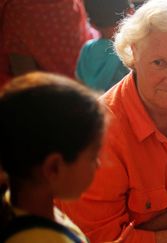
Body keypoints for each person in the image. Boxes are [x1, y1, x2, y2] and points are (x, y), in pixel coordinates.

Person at [56, 0, 167, 242]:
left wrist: (161, 223)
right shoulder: (96, 132)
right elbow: (102, 239)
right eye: (159, 63)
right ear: (134, 51)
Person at [0, 72, 106, 242]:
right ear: (53, 168)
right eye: (93, 157)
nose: (98, 165)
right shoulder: (41, 239)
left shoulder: (14, 203)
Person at [1, 0, 95, 79]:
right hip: (82, 85)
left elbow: (24, 75)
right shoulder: (72, 5)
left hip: (48, 92)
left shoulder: (17, 11)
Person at [76, 0, 133, 91]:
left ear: (92, 24)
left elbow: (80, 83)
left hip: (92, 103)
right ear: (130, 12)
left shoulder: (87, 49)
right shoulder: (130, 50)